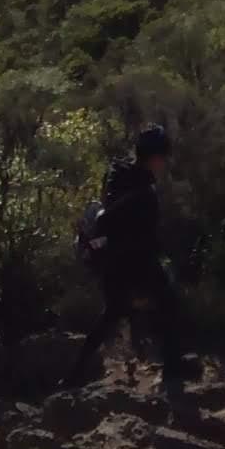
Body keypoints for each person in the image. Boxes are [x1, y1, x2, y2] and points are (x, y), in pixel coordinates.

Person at [81, 122, 188, 403]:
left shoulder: (120, 175)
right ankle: (173, 373)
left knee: (112, 315)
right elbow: (144, 238)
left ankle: (74, 372)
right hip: (131, 261)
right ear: (154, 157)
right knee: (169, 304)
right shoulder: (144, 192)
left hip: (110, 259)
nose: (165, 163)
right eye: (163, 157)